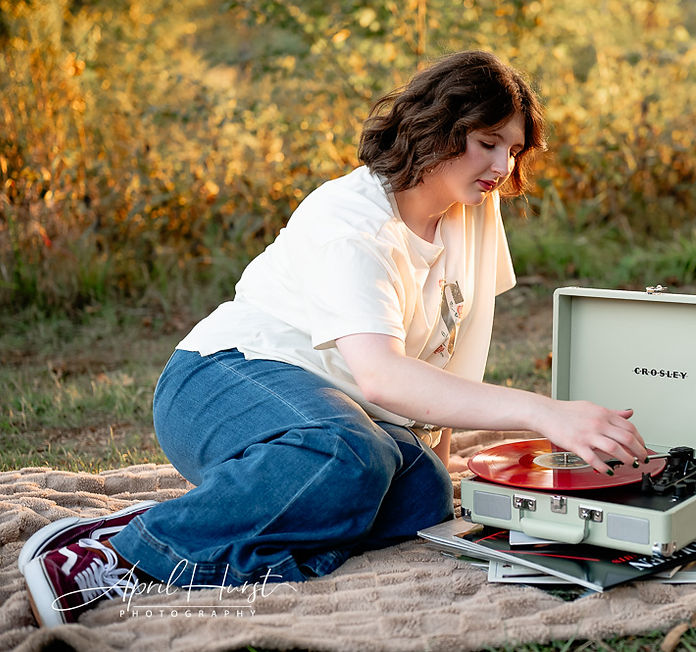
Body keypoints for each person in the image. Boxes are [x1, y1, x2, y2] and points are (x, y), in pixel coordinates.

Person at [20, 50, 647, 627]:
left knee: (425, 496)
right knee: (350, 457)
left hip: (337, 416)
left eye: (513, 150)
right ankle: (117, 553)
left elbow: (460, 341)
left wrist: (440, 457)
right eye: (488, 142)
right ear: (435, 128)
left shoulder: (474, 209)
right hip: (221, 380)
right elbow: (382, 377)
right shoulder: (351, 222)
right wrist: (545, 413)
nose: (502, 167)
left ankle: (209, 518)